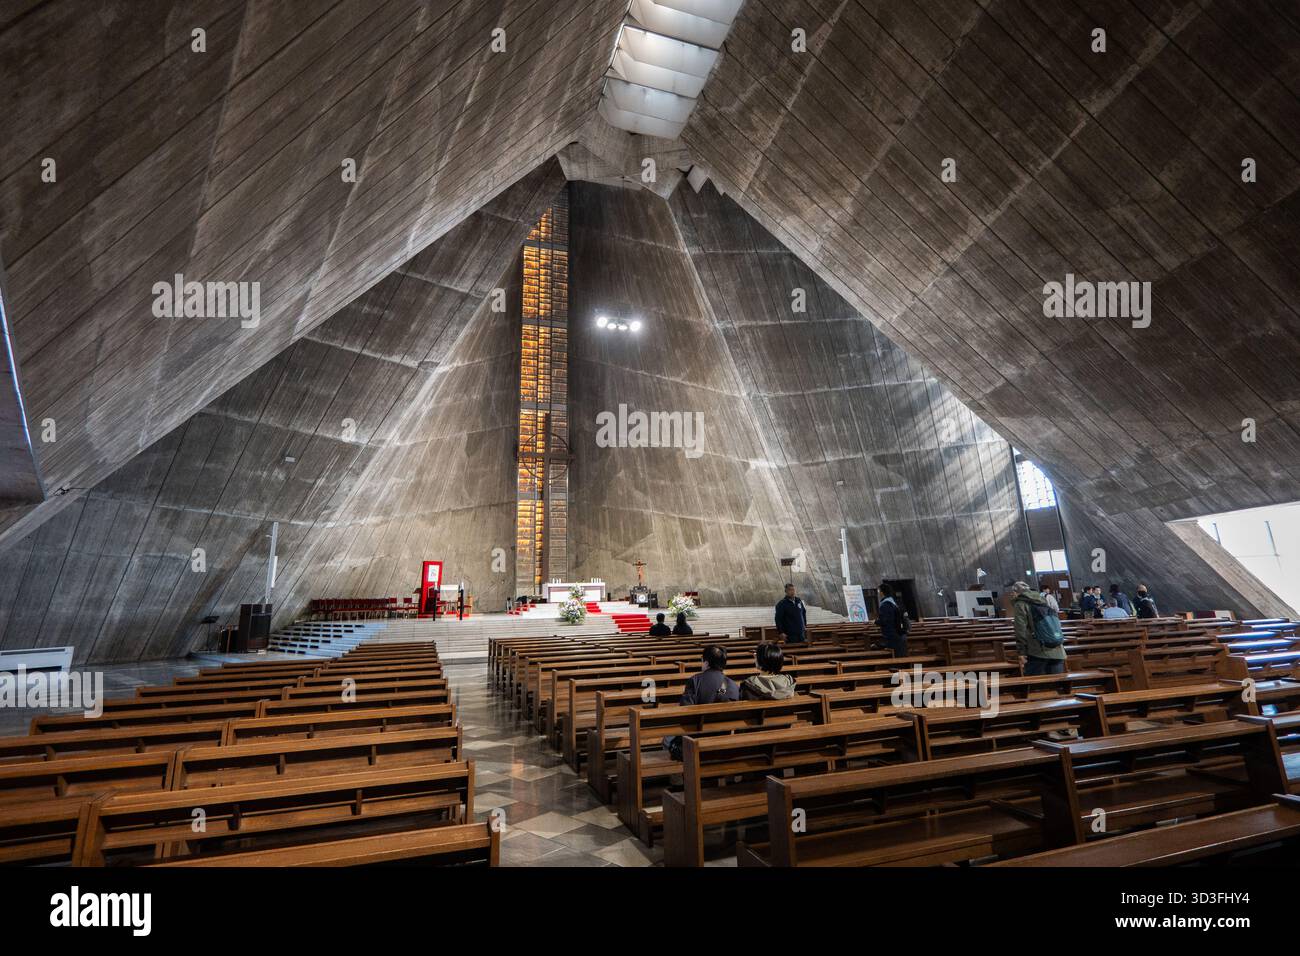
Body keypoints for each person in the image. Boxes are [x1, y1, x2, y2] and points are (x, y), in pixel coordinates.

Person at [664, 645, 741, 760]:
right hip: (723, 737)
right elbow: (720, 694)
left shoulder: (695, 680)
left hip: (697, 738)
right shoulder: (732, 685)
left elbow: (685, 713)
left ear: (706, 662)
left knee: (667, 738)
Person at [1011, 581, 1066, 675]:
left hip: (1037, 651)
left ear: (1016, 593)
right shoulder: (1043, 600)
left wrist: (1021, 652)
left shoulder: (1020, 604)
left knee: (1036, 686)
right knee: (1057, 685)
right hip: (1057, 648)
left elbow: (1020, 630)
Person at [876, 583, 906, 656]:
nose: (878, 593)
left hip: (892, 635)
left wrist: (876, 621)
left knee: (896, 656)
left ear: (882, 593)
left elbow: (885, 621)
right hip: (898, 632)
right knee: (900, 654)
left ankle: (897, 666)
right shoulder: (894, 602)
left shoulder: (885, 604)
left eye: (878, 591)